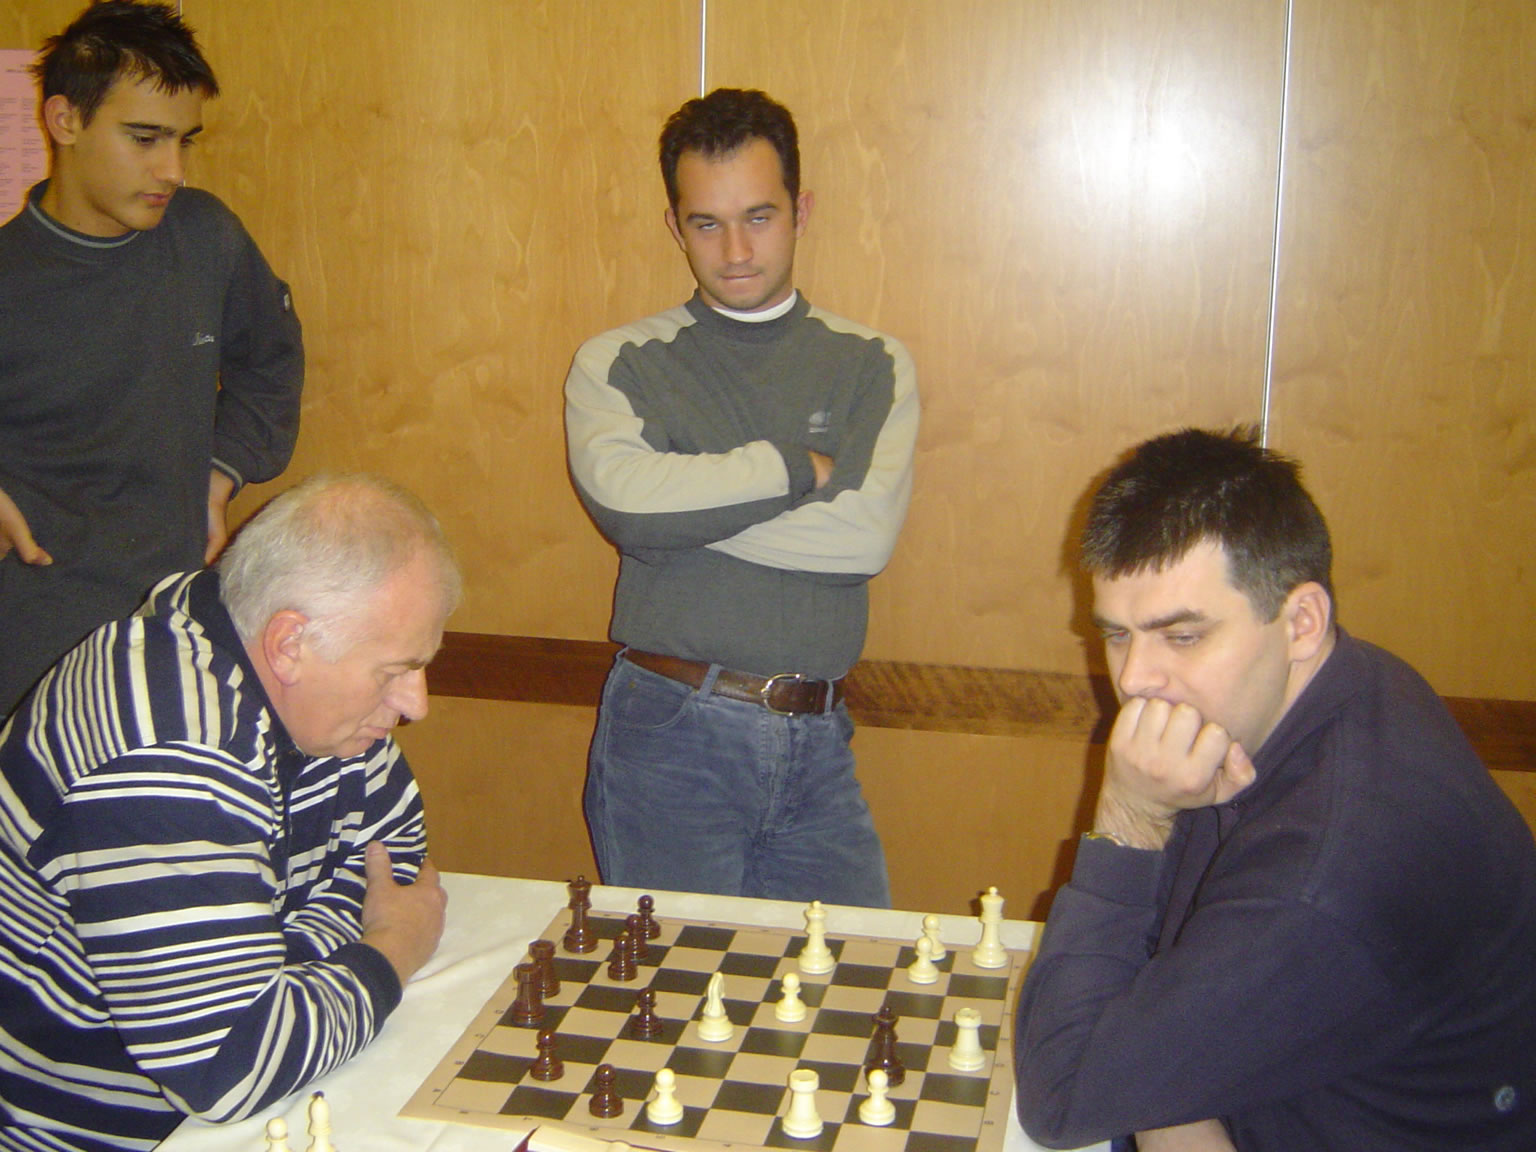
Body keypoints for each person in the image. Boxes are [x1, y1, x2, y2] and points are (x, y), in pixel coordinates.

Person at [1013, 428, 1536, 1151]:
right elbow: (1152, 971)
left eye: (1182, 636)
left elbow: (1060, 1099)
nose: (1134, 679)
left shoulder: (1331, 869)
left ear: (1302, 622)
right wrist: (1147, 1068)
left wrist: (1131, 816)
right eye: (1118, 634)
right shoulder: (1337, 684)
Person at [0, 474, 455, 1150]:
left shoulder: (302, 690)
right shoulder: (166, 750)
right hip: (87, 1135)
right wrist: (388, 952)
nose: (416, 704)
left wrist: (274, 980)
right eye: (393, 672)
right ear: (289, 643)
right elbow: (228, 1069)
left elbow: (396, 856)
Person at [564, 88, 919, 907]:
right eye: (706, 223)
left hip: (819, 739)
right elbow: (626, 508)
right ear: (674, 226)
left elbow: (862, 537)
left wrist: (676, 506)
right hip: (670, 734)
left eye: (759, 217)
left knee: (850, 973)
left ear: (802, 211)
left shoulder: (872, 363)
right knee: (681, 977)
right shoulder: (617, 361)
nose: (734, 251)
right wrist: (795, 469)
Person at [0, 0, 304, 720]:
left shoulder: (205, 236)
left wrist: (221, 474)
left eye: (183, 141)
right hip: (34, 645)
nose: (171, 169)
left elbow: (270, 361)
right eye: (144, 138)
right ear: (64, 120)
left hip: (181, 627)